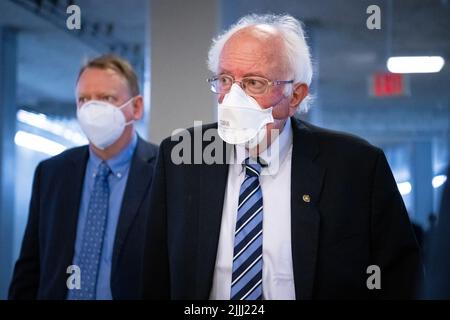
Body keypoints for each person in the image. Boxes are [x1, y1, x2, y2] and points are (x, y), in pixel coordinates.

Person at [142, 14, 422, 300]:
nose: (233, 98)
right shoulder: (182, 158)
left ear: (296, 95)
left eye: (254, 83)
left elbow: (399, 278)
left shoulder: (357, 167)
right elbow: (154, 273)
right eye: (225, 79)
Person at [9, 55, 158, 300]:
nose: (92, 109)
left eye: (106, 98)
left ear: (136, 107)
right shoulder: (52, 174)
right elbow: (30, 267)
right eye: (84, 100)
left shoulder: (163, 172)